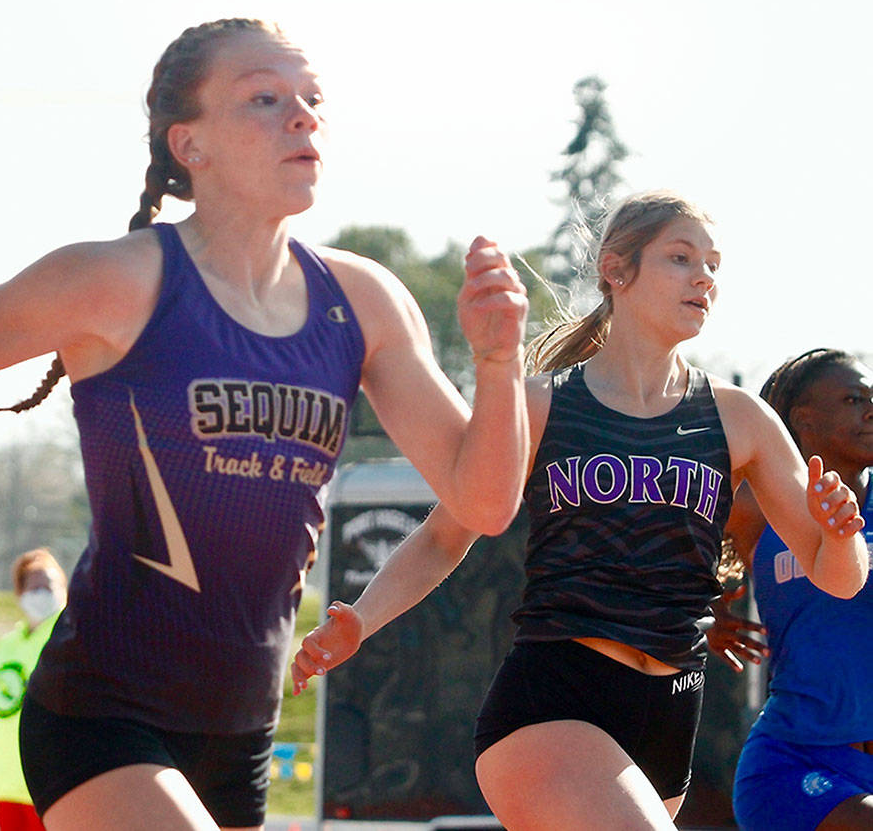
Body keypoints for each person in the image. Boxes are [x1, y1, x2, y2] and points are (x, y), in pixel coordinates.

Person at [0, 17, 532, 831]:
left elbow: (482, 505)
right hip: (98, 713)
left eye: (312, 100)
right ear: (188, 144)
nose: (302, 117)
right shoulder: (115, 282)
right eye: (264, 99)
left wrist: (497, 360)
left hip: (241, 731)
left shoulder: (363, 301)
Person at [292, 191, 869, 830]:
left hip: (671, 715)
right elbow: (444, 535)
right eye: (681, 258)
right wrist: (359, 620)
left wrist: (841, 534)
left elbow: (836, 576)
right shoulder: (541, 405)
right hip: (553, 703)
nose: (704, 276)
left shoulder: (740, 420)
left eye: (713, 264)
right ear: (616, 270)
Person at [708, 349, 873, 831]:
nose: (870, 410)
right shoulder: (761, 505)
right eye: (852, 398)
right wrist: (709, 615)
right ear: (803, 419)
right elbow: (686, 553)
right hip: (794, 761)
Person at [0, 549, 67, 831]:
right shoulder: (7, 645)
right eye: (34, 587)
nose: (42, 592)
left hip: (49, 779)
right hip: (5, 777)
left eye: (49, 585)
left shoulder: (69, 637)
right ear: (20, 593)